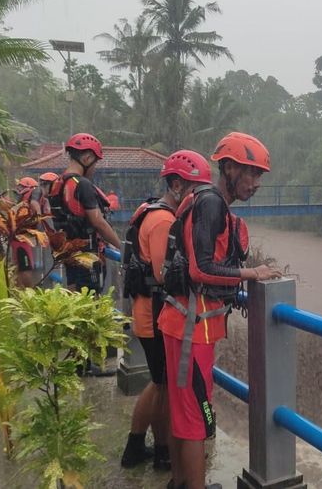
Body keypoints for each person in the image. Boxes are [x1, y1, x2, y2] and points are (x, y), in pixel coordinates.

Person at [158, 133, 281, 489]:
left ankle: (180, 482)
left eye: (260, 176)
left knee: (185, 415)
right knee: (197, 420)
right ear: (227, 168)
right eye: (250, 173)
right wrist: (252, 273)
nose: (256, 182)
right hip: (191, 330)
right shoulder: (210, 204)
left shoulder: (207, 202)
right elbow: (201, 269)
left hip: (185, 322)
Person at [120, 150, 212, 472]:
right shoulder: (163, 220)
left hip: (148, 311)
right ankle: (136, 445)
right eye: (193, 189)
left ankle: (158, 450)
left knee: (162, 385)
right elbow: (164, 275)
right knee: (160, 385)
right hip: (152, 315)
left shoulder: (152, 211)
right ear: (175, 185)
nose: (198, 197)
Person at [48, 132, 121, 293]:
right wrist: (121, 246)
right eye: (95, 163)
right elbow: (98, 222)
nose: (94, 168)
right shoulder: (82, 184)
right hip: (87, 257)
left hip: (70, 254)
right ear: (87, 158)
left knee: (74, 297)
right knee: (90, 304)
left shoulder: (58, 184)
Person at [11, 176, 42, 287]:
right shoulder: (33, 195)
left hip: (18, 237)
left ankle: (19, 292)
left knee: (20, 266)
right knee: (25, 266)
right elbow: (34, 204)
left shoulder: (21, 201)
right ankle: (29, 292)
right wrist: (39, 219)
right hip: (22, 238)